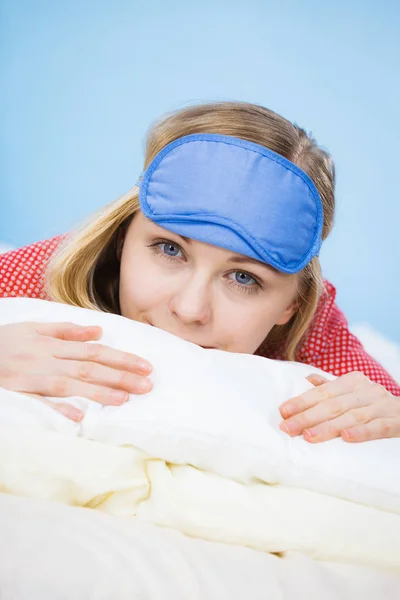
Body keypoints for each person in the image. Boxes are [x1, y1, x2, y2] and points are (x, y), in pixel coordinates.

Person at [1, 101, 399, 443]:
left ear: (291, 306)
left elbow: (387, 404)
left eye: (244, 278)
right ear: (121, 241)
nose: (190, 310)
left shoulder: (314, 327)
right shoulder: (52, 268)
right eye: (170, 249)